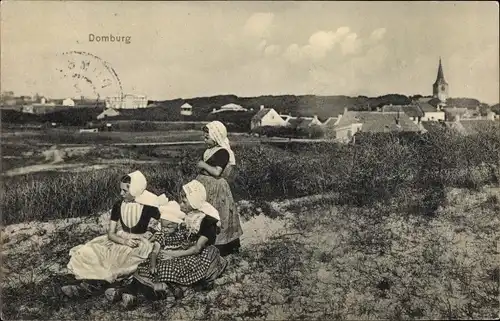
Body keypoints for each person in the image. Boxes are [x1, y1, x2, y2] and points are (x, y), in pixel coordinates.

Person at [114, 180, 228, 308]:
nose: (181, 204)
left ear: (194, 202)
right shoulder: (189, 215)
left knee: (165, 265)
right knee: (152, 261)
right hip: (182, 248)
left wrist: (172, 253)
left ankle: (139, 291)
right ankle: (136, 290)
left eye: (184, 202)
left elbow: (197, 248)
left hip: (198, 255)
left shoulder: (207, 221)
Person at [61, 170, 166, 298]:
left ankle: (102, 286)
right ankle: (90, 283)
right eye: (121, 190)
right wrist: (124, 241)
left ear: (135, 190)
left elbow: (161, 223)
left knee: (123, 263)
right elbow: (111, 233)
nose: (121, 193)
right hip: (120, 239)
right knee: (92, 253)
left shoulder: (148, 206)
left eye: (125, 191)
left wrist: (150, 235)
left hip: (140, 242)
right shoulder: (118, 205)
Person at [196, 121, 243, 256]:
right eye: (204, 136)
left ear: (216, 136)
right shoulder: (209, 151)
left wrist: (203, 165)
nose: (205, 138)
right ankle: (204, 243)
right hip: (205, 184)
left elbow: (217, 172)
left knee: (218, 216)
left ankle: (222, 247)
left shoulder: (223, 152)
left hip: (216, 187)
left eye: (207, 136)